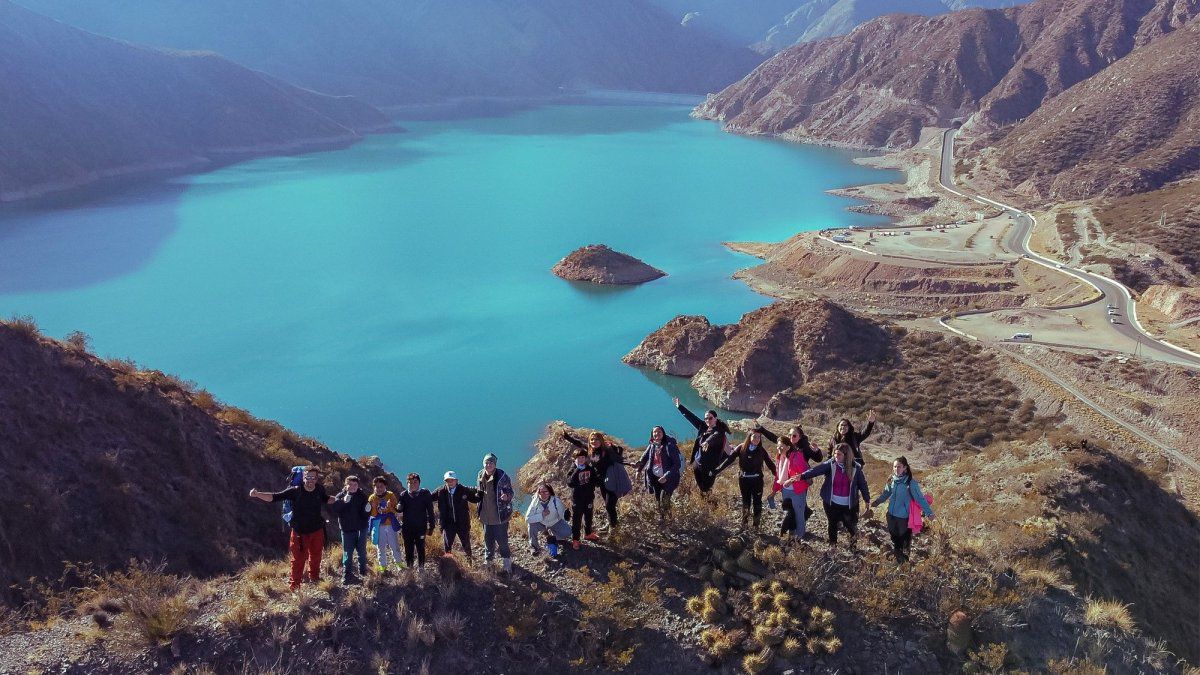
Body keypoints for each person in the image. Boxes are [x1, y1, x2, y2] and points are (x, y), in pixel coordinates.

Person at [248, 466, 336, 591]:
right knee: (298, 560)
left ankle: (315, 578)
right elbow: (274, 497)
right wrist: (257, 494)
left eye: (313, 477)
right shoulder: (295, 491)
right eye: (308, 477)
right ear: (304, 477)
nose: (310, 480)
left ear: (317, 479)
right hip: (300, 533)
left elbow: (326, 499)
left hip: (317, 530)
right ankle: (295, 587)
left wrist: (339, 499)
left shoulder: (319, 489)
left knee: (316, 555)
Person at [800, 443, 870, 550]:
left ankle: (853, 547)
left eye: (839, 454)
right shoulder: (831, 464)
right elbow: (816, 470)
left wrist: (867, 499)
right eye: (835, 454)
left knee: (851, 526)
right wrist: (802, 476)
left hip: (849, 504)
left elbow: (862, 484)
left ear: (846, 456)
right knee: (832, 524)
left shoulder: (855, 468)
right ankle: (833, 546)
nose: (836, 456)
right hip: (831, 503)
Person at [563, 430, 632, 532]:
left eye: (596, 439)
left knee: (609, 505)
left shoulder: (607, 450)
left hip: (612, 480)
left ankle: (613, 528)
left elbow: (618, 458)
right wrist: (567, 437)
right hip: (602, 483)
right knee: (608, 505)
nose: (594, 441)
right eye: (592, 439)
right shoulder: (590, 450)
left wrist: (630, 463)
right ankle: (611, 524)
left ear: (601, 440)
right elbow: (579, 443)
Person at [870, 456, 934, 564]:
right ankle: (898, 557)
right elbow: (886, 493)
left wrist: (929, 513)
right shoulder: (892, 480)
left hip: (904, 517)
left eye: (899, 467)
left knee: (904, 539)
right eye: (894, 467)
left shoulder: (910, 483)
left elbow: (920, 499)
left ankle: (904, 562)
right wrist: (877, 502)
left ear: (905, 468)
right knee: (894, 537)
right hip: (891, 515)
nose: (896, 469)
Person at [763, 425, 821, 541]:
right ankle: (791, 534)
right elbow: (778, 476)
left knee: (799, 514)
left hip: (798, 489)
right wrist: (774, 491)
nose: (791, 437)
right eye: (778, 447)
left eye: (794, 436)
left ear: (788, 446)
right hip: (786, 490)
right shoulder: (781, 457)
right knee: (789, 513)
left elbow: (805, 472)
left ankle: (798, 539)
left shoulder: (799, 454)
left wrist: (792, 479)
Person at [715, 429, 777, 531]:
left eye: (759, 437)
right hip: (744, 480)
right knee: (746, 501)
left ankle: (756, 526)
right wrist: (718, 469)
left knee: (757, 502)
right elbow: (730, 459)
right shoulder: (741, 447)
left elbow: (770, 464)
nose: (757, 439)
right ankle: (744, 523)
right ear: (749, 437)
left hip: (757, 480)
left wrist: (777, 476)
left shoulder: (761, 450)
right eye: (754, 437)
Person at [672, 397, 730, 495]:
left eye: (710, 418)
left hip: (710, 466)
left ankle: (710, 505)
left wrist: (707, 442)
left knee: (706, 488)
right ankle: (705, 502)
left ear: (715, 418)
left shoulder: (719, 431)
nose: (708, 420)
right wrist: (680, 407)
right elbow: (692, 417)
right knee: (701, 487)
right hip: (697, 463)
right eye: (706, 418)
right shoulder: (703, 426)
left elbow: (715, 437)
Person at [477, 453, 515, 573]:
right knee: (488, 539)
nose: (488, 465)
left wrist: (506, 496)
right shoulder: (480, 474)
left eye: (491, 463)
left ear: (495, 464)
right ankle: (489, 561)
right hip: (486, 515)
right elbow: (479, 491)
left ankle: (506, 561)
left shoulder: (502, 476)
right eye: (486, 463)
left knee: (502, 540)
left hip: (500, 515)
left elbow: (511, 492)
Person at [635, 426, 682, 519]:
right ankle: (663, 517)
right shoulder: (652, 445)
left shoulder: (670, 446)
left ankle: (668, 519)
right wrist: (638, 470)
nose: (656, 434)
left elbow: (677, 464)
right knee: (658, 498)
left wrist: (666, 476)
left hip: (669, 478)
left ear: (663, 433)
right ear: (652, 435)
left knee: (664, 498)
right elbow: (644, 458)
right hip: (655, 477)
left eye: (659, 432)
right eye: (654, 432)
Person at [433, 470, 483, 558]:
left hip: (462, 522)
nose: (450, 482)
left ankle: (469, 561)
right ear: (445, 481)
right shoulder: (440, 491)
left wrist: (481, 494)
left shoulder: (463, 490)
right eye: (448, 480)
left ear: (456, 480)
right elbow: (429, 498)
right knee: (447, 545)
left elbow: (475, 499)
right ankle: (449, 564)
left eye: (452, 480)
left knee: (466, 543)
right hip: (448, 523)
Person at [331, 475, 371, 584]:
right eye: (350, 484)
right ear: (346, 485)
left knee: (362, 552)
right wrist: (343, 502)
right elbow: (334, 509)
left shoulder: (362, 496)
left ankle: (363, 571)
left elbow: (365, 514)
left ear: (358, 485)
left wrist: (367, 511)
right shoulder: (340, 496)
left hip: (361, 529)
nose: (353, 487)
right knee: (348, 553)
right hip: (347, 530)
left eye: (355, 485)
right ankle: (346, 574)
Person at [398, 472, 436, 567]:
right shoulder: (403, 495)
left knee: (420, 548)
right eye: (410, 482)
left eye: (415, 482)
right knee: (408, 549)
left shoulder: (425, 494)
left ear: (419, 483)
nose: (412, 484)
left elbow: (430, 511)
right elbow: (399, 509)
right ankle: (410, 568)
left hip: (421, 527)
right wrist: (398, 507)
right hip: (407, 528)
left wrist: (431, 526)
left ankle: (421, 568)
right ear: (407, 483)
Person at [525, 482, 572, 558]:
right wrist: (542, 515)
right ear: (538, 493)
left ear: (550, 492)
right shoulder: (535, 502)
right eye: (541, 492)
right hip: (542, 523)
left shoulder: (556, 501)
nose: (543, 494)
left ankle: (554, 537)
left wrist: (566, 516)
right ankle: (534, 547)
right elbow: (527, 519)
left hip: (555, 522)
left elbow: (562, 515)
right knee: (531, 524)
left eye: (545, 492)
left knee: (568, 532)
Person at [367, 476, 404, 572]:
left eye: (381, 486)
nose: (379, 489)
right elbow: (373, 515)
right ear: (374, 487)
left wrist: (389, 507)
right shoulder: (372, 498)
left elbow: (396, 510)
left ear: (385, 486)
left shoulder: (390, 495)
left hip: (390, 525)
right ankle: (382, 566)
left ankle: (399, 563)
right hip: (379, 526)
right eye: (377, 486)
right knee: (381, 547)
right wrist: (374, 507)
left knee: (394, 545)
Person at [566, 448, 599, 549]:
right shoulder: (572, 469)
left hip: (588, 498)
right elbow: (570, 483)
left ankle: (588, 533)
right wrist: (577, 469)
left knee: (588, 517)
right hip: (577, 500)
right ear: (575, 459)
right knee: (577, 519)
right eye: (578, 458)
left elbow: (596, 481)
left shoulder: (589, 468)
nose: (581, 459)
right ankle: (576, 539)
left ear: (585, 458)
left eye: (583, 457)